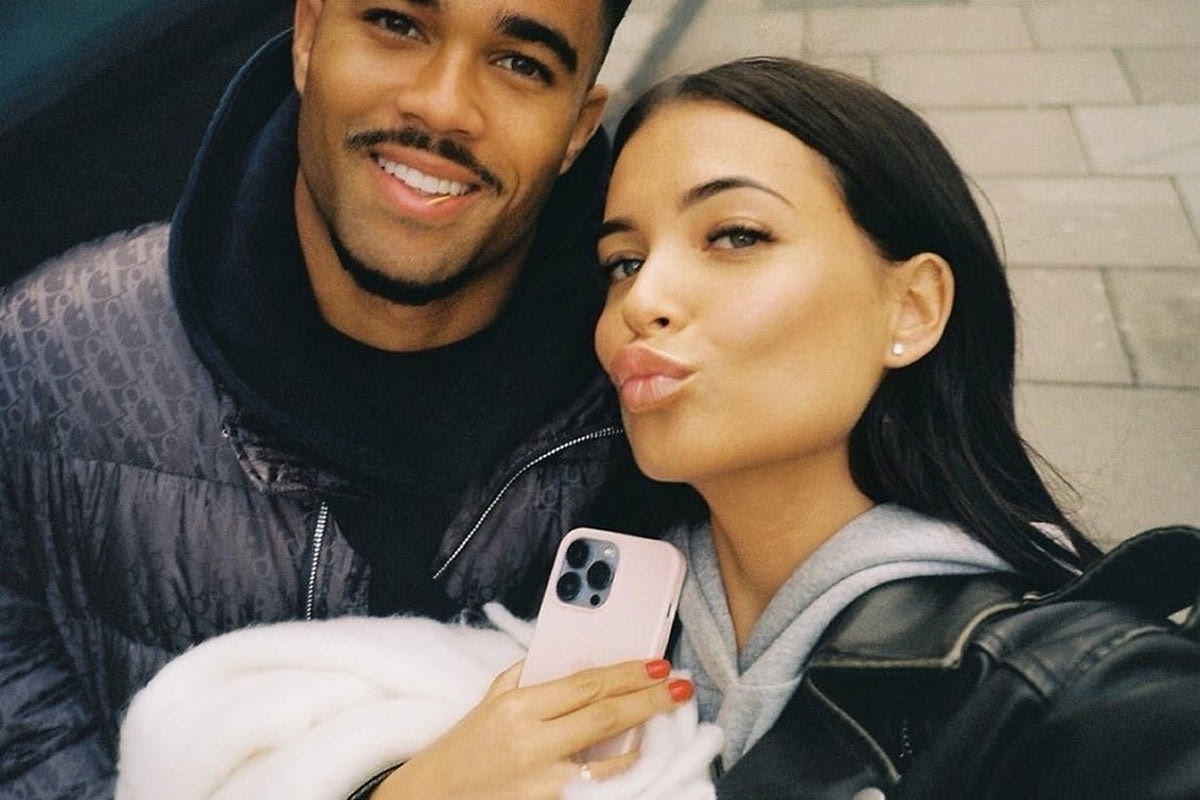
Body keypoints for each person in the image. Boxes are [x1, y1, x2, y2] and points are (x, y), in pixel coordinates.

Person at [115, 55, 1200, 800]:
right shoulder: (589, 614)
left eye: (734, 235)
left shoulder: (1059, 688)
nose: (644, 299)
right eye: (622, 261)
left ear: (911, 308)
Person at [0, 1, 666, 796]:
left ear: (578, 127)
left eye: (521, 63)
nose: (443, 105)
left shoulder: (651, 406)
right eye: (398, 24)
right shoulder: (47, 360)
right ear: (309, 34)